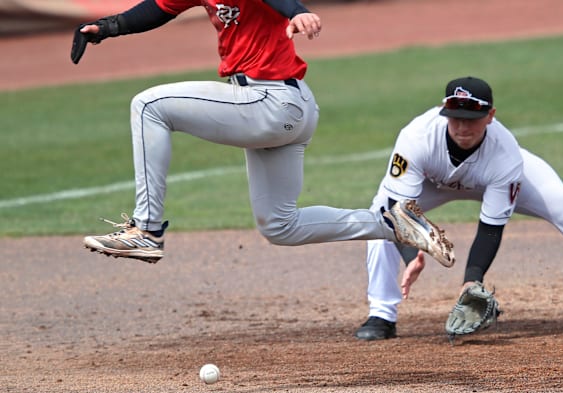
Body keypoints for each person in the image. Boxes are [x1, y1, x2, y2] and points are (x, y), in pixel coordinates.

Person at [70, 0, 455, 268]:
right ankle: (392, 223)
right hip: (287, 109)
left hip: (270, 100)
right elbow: (158, 8)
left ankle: (147, 230)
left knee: (149, 105)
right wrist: (107, 27)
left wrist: (298, 12)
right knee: (280, 225)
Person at [353, 76, 563, 340]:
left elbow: (491, 226)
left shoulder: (505, 152)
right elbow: (396, 210)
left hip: (491, 177)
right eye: (455, 117)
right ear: (444, 112)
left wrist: (472, 281)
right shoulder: (416, 138)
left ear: (490, 116)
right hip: (428, 183)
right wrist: (413, 255)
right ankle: (382, 314)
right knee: (377, 214)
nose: (462, 127)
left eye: (472, 118)